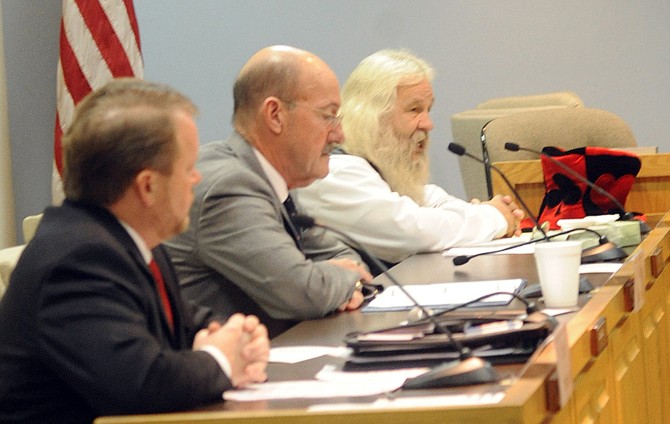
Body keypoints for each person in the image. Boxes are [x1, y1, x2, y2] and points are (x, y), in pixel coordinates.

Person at [0, 79, 270, 423]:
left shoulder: (127, 241)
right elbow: (142, 384)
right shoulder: (77, 260)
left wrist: (234, 335)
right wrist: (221, 359)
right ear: (148, 186)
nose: (196, 179)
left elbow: (181, 323)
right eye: (188, 168)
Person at [164, 46, 373, 338]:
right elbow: (302, 292)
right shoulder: (229, 187)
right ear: (275, 115)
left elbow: (341, 255)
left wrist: (338, 277)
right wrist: (344, 277)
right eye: (328, 117)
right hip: (224, 374)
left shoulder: (271, 177)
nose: (339, 135)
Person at [295, 49, 524, 265]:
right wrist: (494, 217)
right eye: (414, 110)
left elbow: (432, 200)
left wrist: (481, 213)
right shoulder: (335, 172)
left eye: (428, 110)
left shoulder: (377, 168)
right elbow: (412, 230)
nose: (428, 124)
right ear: (372, 117)